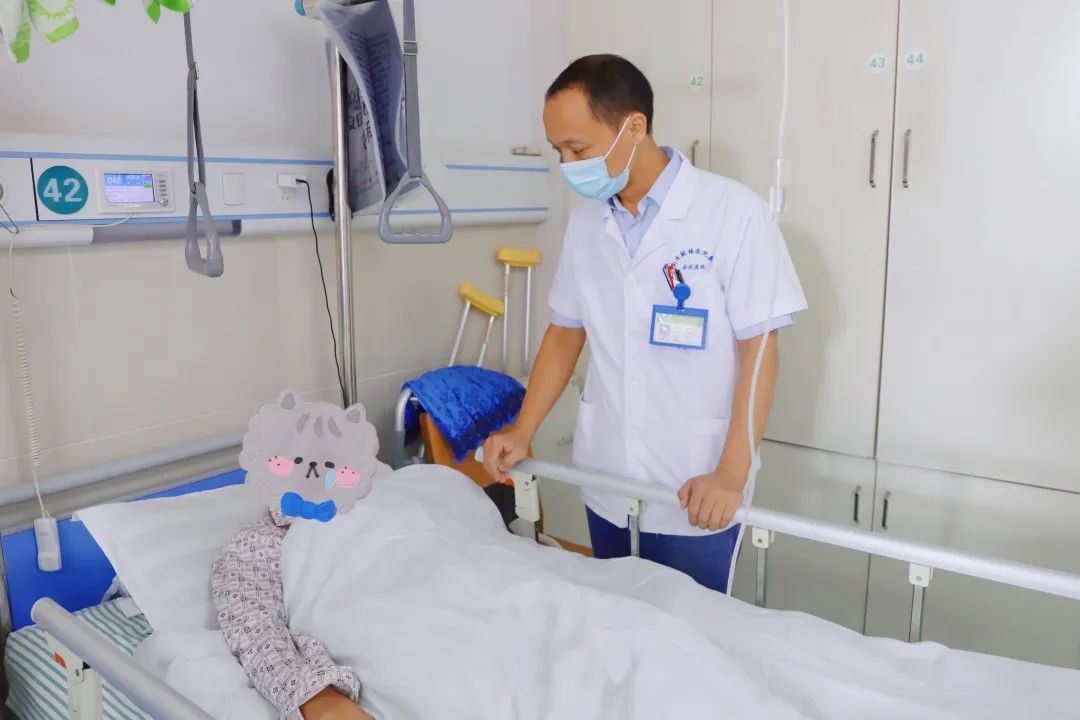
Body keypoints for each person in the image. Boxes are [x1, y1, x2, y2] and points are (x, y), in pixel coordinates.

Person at [481, 55, 807, 593]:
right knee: (615, 618)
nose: (568, 165)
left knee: (689, 630)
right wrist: (523, 427)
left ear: (634, 127)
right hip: (606, 474)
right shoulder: (586, 224)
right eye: (559, 151)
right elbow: (565, 332)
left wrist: (731, 471)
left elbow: (760, 348)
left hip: (698, 482)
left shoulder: (733, 212)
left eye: (578, 149)